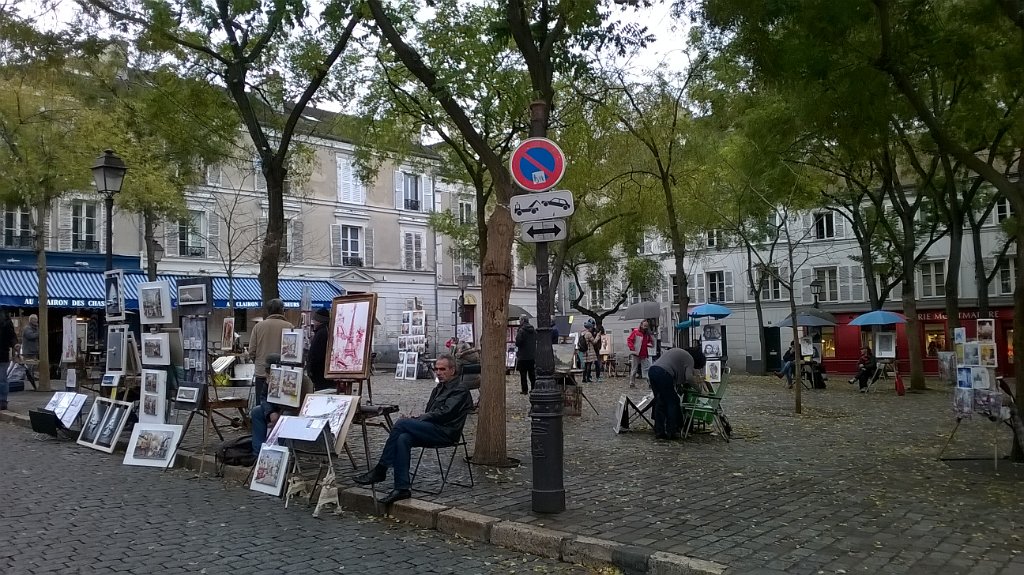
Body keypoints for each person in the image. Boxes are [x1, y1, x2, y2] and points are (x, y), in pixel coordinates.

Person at [354, 354, 473, 504]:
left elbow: (445, 413)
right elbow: (430, 412)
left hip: (446, 432)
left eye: (442, 369)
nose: (438, 372)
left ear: (452, 370)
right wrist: (416, 417)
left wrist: (418, 419)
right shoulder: (438, 388)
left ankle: (381, 469)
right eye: (436, 369)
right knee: (403, 438)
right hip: (432, 428)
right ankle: (402, 488)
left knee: (401, 424)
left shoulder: (460, 389)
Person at [250, 353, 315, 454]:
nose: (266, 373)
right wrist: (270, 412)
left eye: (268, 370)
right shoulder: (270, 379)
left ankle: (283, 451)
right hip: (277, 409)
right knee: (256, 412)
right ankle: (258, 452)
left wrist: (282, 411)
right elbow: (263, 397)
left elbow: (305, 404)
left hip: (293, 411)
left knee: (285, 417)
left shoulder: (303, 380)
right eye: (267, 370)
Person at [648, 346, 707, 440]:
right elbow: (689, 377)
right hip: (664, 373)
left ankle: (659, 431)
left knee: (660, 401)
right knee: (673, 402)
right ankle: (672, 430)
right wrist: (700, 390)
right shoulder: (689, 358)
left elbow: (676, 371)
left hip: (653, 371)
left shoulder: (679, 353)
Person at [248, 299, 294, 404]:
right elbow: (292, 352)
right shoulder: (289, 326)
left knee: (261, 404)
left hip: (262, 371)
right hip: (283, 372)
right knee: (281, 405)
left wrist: (258, 361)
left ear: (268, 311)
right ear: (282, 310)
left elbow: (252, 351)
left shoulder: (258, 326)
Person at [305, 308, 331, 391]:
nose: (313, 321)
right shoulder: (326, 331)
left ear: (319, 320)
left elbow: (316, 354)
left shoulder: (321, 333)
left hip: (320, 373)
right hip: (323, 372)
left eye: (315, 319)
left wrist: (311, 369)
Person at [626, 320, 654, 389]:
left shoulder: (647, 334)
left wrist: (650, 344)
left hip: (644, 353)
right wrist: (632, 348)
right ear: (641, 325)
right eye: (645, 326)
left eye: (647, 326)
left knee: (647, 368)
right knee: (634, 369)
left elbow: (650, 341)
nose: (646, 327)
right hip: (636, 353)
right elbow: (629, 340)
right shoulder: (636, 332)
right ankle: (632, 383)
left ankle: (650, 383)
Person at [0, 308, 18, 411]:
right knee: (2, 379)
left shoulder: (6, 320)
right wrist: (14, 343)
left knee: (2, 379)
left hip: (2, 354)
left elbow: (11, 336)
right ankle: (2, 401)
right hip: (3, 354)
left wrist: (15, 344)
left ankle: (2, 401)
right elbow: (12, 336)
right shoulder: (6, 320)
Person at [514, 315, 537, 394]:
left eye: (520, 320)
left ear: (523, 321)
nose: (519, 321)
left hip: (523, 356)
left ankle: (525, 390)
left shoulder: (521, 331)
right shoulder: (533, 330)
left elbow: (518, 342)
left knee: (523, 374)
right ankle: (533, 388)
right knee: (532, 374)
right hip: (532, 355)